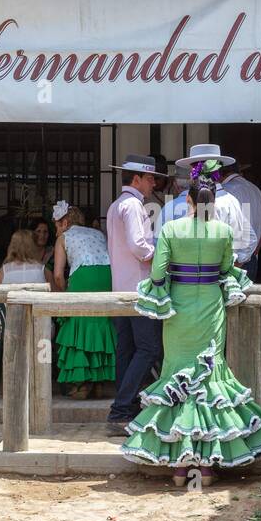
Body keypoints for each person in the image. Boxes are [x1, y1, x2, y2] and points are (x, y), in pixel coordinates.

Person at [121, 162, 261, 487]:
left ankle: (182, 467)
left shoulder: (171, 229)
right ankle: (206, 467)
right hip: (211, 310)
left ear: (189, 201)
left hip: (178, 313)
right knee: (208, 381)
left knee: (177, 378)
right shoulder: (222, 231)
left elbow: (156, 274)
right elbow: (227, 270)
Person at [106, 154, 161, 432]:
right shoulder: (132, 206)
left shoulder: (118, 205)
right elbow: (139, 247)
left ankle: (123, 407)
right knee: (149, 348)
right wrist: (162, 255)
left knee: (126, 349)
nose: (153, 183)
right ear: (137, 179)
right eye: (150, 178)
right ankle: (123, 405)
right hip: (138, 290)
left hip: (121, 287)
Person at [50, 201, 116, 400]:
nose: (56, 229)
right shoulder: (98, 234)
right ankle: (98, 382)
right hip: (107, 275)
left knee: (78, 324)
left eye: (56, 224)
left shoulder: (64, 237)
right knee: (99, 324)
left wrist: (65, 293)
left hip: (83, 276)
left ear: (65, 222)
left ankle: (81, 384)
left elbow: (58, 275)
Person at [159, 144, 256, 267]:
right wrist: (234, 265)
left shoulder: (183, 205)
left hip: (193, 277)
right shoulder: (232, 201)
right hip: (220, 275)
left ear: (192, 173)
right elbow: (250, 239)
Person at [0, 229, 53, 339]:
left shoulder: (4, 271)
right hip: (39, 329)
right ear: (33, 246)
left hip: (10, 328)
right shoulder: (43, 270)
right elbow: (57, 295)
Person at [220, 161, 261, 278]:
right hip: (251, 257)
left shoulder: (225, 190)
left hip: (233, 261)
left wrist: (238, 263)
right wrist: (253, 252)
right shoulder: (255, 189)